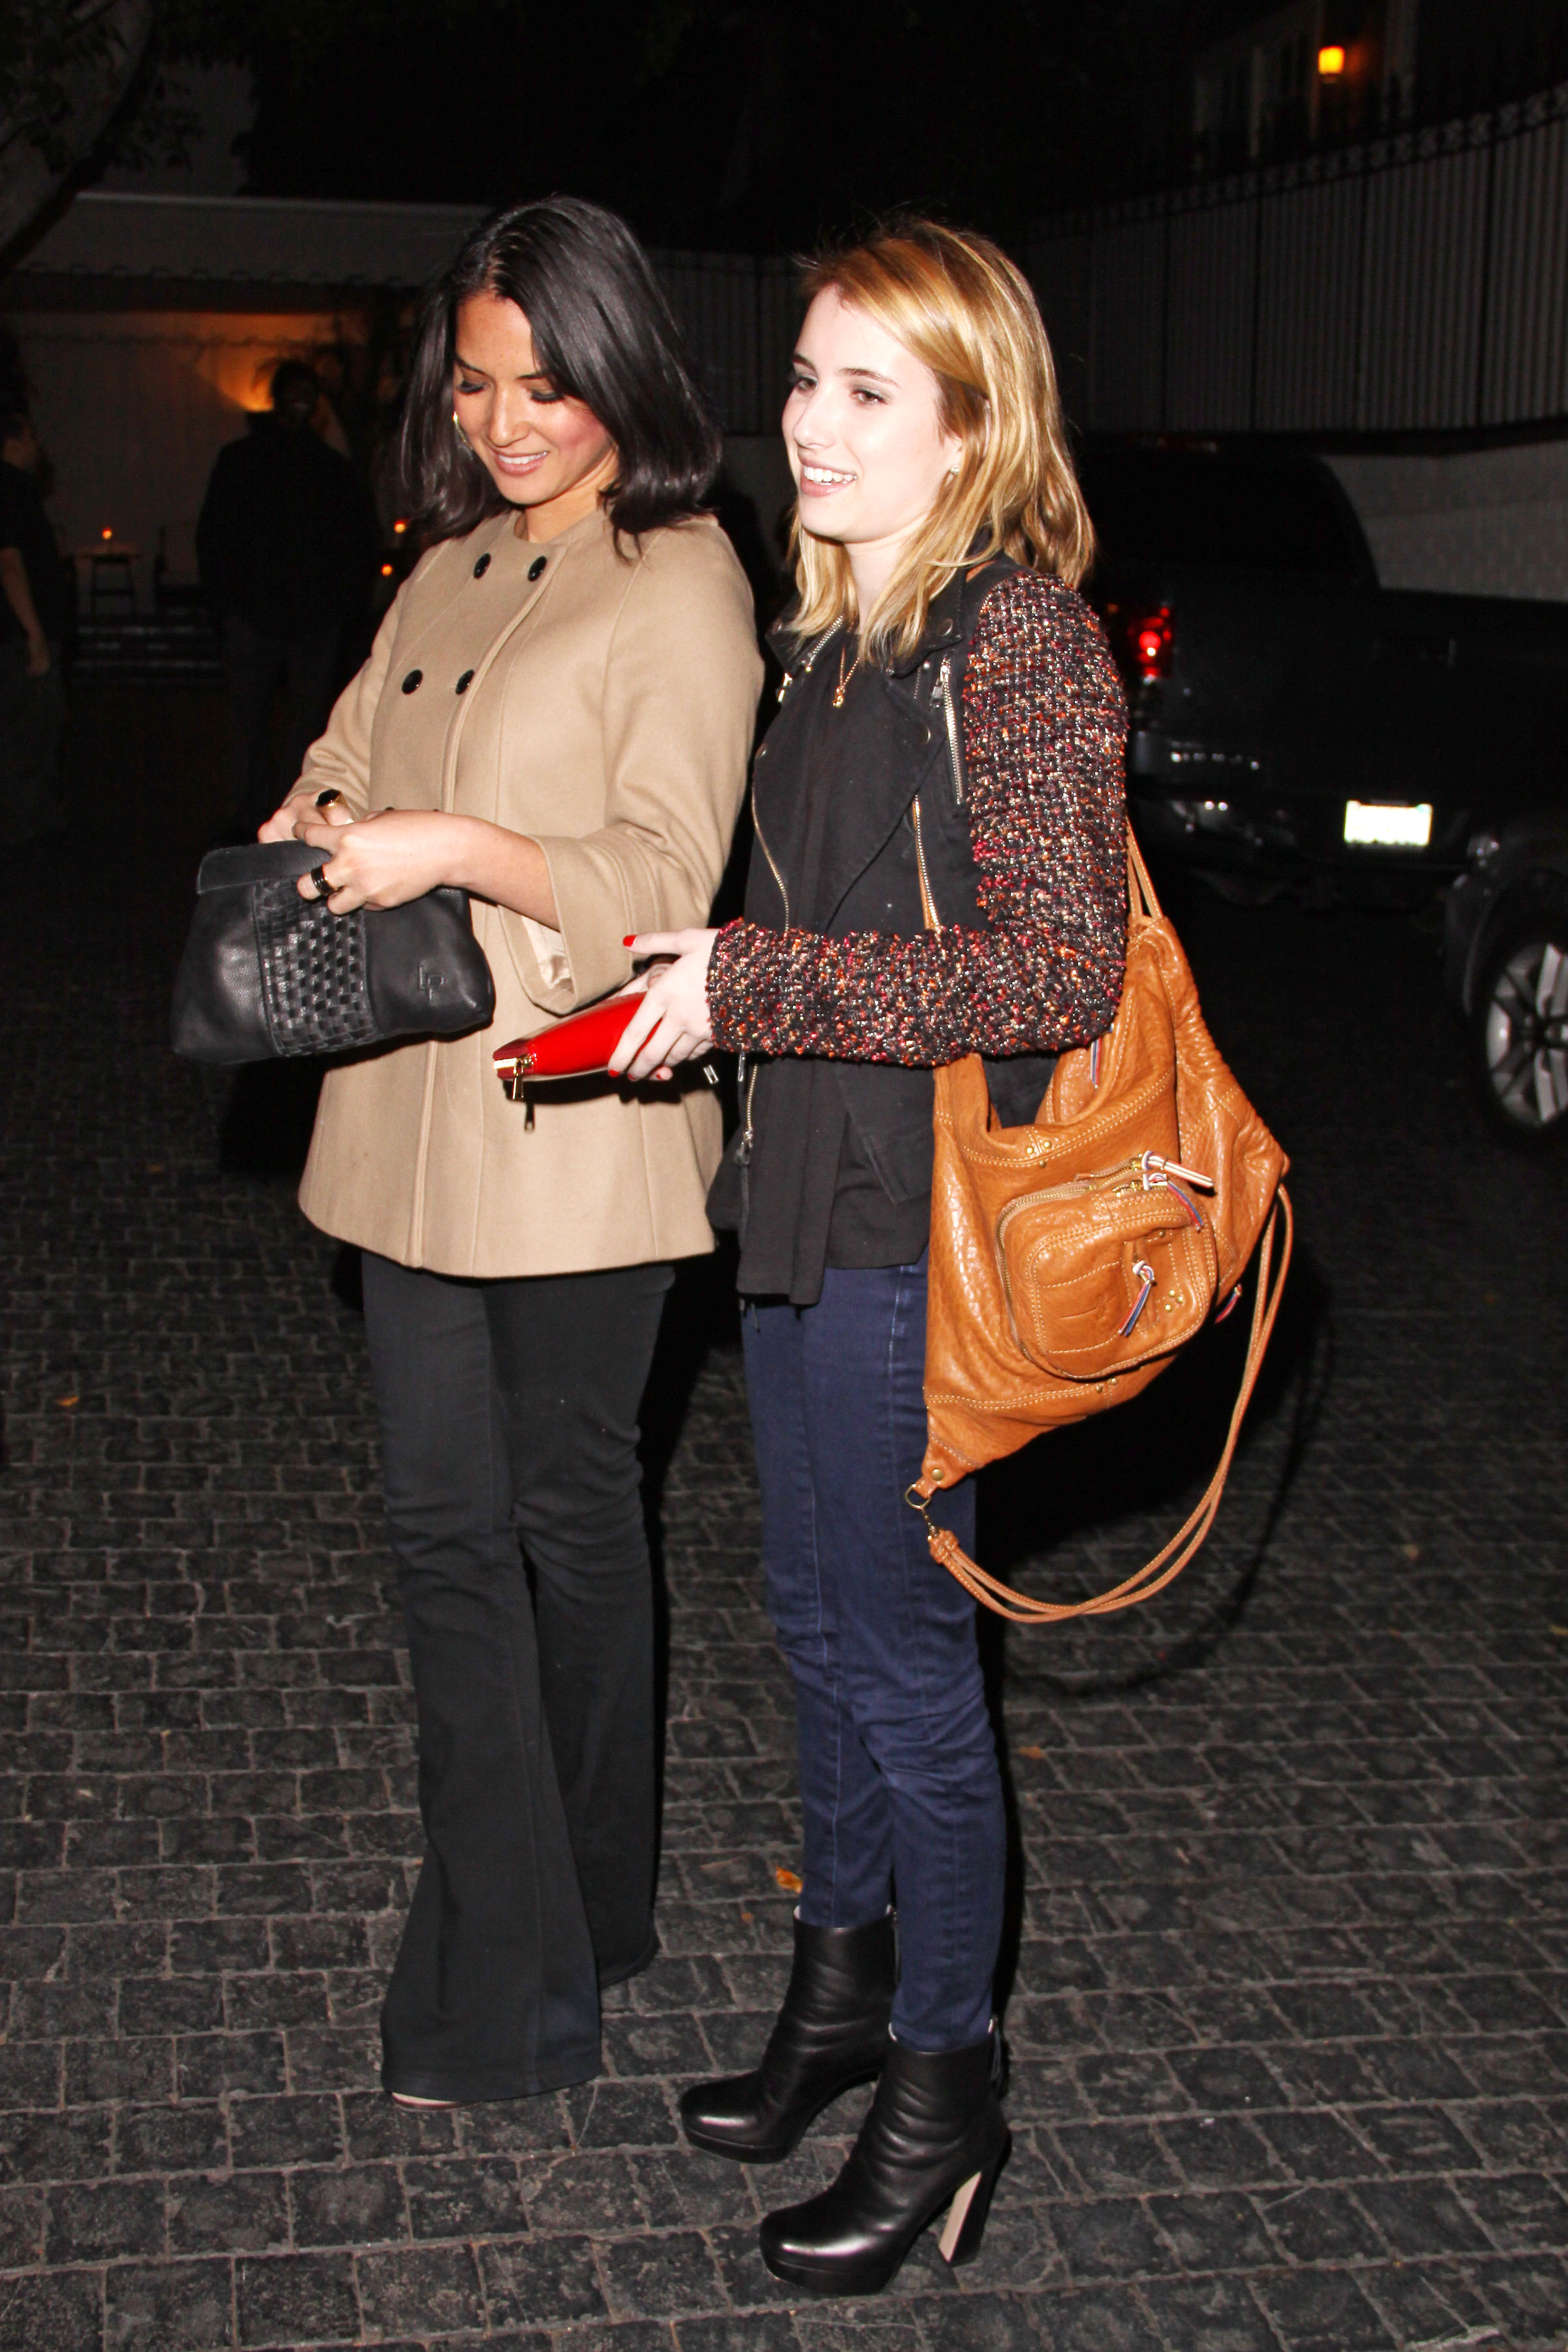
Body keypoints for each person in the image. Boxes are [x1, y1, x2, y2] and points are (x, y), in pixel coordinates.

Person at [610, 220, 1128, 2293]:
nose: (806, 425)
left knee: (910, 1672)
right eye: (804, 381)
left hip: (933, 1232)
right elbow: (826, 931)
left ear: (971, 431)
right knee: (818, 1631)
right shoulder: (833, 640)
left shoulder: (1017, 642)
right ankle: (837, 1995)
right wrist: (702, 982)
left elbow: (1056, 967)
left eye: (863, 392)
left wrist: (761, 981)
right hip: (807, 1206)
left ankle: (945, 2077)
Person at [257, 198, 762, 2104]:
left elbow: (661, 878)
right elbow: (348, 748)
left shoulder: (680, 579)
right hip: (404, 1120)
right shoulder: (452, 565)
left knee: (563, 1529)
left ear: (622, 370)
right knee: (443, 1540)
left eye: (545, 384)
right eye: (475, 386)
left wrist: (454, 851)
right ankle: (544, 1931)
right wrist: (315, 815)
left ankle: (555, 1937)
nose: (505, 421)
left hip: (575, 1138)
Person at [198, 359, 380, 838]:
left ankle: (284, 815)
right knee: (251, 722)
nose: (301, 403)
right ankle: (249, 816)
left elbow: (358, 544)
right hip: (261, 617)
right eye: (295, 392)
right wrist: (226, 607)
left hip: (308, 620)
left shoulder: (331, 470)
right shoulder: (246, 461)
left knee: (302, 728)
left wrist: (342, 614)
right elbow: (215, 537)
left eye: (308, 394)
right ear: (278, 399)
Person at [0, 404, 70, 847]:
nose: (37, 445)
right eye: (30, 436)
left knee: (34, 729)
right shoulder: (9, 488)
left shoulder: (17, 488)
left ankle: (34, 820)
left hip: (20, 634)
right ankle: (23, 827)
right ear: (12, 440)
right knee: (29, 731)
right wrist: (34, 635)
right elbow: (9, 561)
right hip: (18, 637)